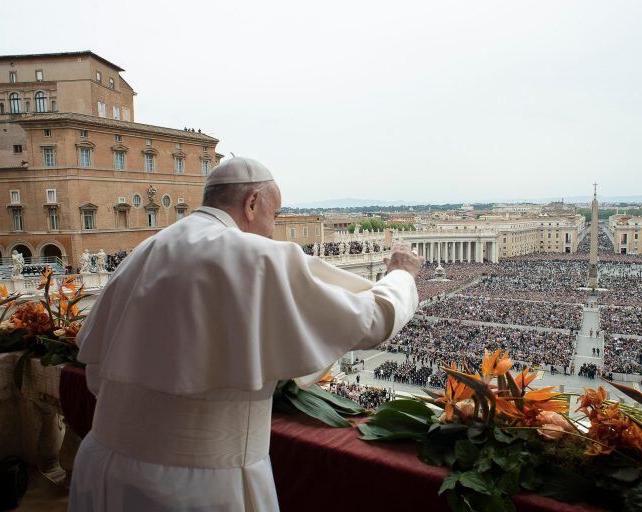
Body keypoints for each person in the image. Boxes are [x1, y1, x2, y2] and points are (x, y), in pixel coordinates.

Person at [69, 157, 422, 512]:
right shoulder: (254, 256)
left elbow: (98, 373)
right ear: (252, 203)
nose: (272, 228)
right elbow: (370, 320)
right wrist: (401, 275)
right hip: (195, 486)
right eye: (276, 214)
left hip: (102, 466)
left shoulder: (145, 250)